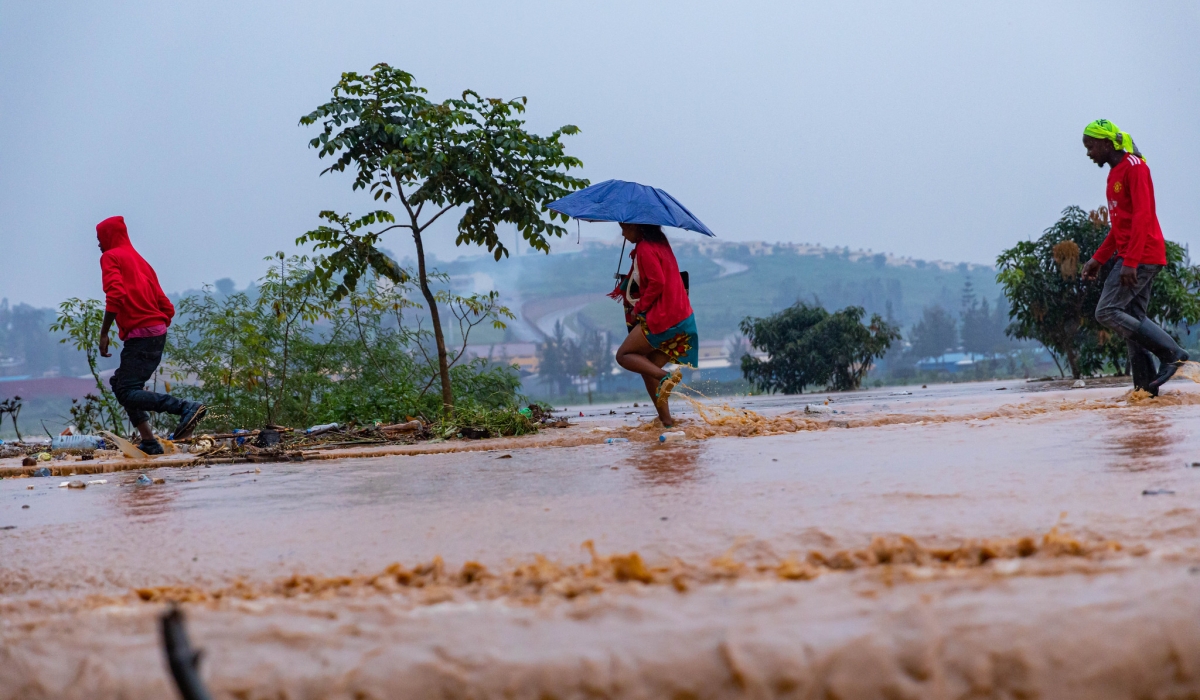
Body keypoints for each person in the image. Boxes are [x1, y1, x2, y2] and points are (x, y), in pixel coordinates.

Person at [1079, 119, 1188, 395]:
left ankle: (1172, 353)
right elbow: (1120, 227)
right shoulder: (1114, 174)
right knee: (1131, 318)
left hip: (1142, 255)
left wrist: (1130, 262)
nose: (1089, 153)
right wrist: (1098, 259)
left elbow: (1143, 216)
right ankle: (1146, 390)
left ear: (1106, 144)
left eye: (1091, 147)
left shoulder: (1136, 168)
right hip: (1132, 255)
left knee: (1106, 311)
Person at [96, 216, 206, 453]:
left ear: (109, 237)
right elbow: (166, 306)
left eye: (99, 239)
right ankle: (149, 442)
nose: (98, 245)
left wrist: (104, 333)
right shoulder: (140, 261)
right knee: (121, 384)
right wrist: (157, 325)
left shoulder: (110, 257)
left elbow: (115, 295)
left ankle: (186, 407)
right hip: (155, 333)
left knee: (126, 389)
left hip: (142, 335)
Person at [612, 223, 699, 427]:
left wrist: (639, 307)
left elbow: (657, 283)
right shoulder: (660, 243)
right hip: (682, 318)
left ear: (637, 227)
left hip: (664, 318)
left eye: (624, 228)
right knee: (646, 366)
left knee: (623, 356)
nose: (623, 233)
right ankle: (667, 422)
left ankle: (665, 377)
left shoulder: (644, 248)